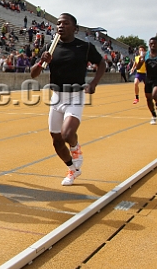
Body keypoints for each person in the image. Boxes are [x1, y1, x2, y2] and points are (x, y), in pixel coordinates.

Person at [30, 13, 105, 186]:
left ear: (75, 28)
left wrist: (93, 83)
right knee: (56, 141)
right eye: (58, 23)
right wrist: (42, 62)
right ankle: (73, 169)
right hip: (56, 97)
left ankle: (76, 148)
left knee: (67, 134)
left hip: (75, 96)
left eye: (65, 23)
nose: (60, 26)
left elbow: (101, 64)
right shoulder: (51, 47)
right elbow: (33, 74)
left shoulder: (84, 47)